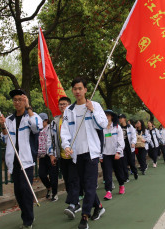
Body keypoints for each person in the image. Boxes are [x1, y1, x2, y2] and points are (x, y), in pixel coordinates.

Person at [61, 77, 108, 229]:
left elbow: (102, 124)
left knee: (89, 186)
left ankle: (84, 217)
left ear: (86, 90)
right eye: (75, 89)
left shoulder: (94, 105)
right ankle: (99, 207)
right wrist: (66, 146)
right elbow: (65, 131)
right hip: (77, 154)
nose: (77, 91)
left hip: (91, 153)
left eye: (80, 88)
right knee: (84, 185)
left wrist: (92, 110)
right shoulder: (69, 111)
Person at [0, 89, 43, 229]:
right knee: (18, 191)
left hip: (26, 160)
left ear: (25, 101)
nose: (17, 102)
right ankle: (26, 215)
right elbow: (5, 139)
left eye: (20, 99)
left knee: (26, 190)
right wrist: (3, 127)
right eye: (15, 100)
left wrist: (29, 107)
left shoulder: (31, 116)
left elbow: (37, 127)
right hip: (13, 161)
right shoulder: (9, 119)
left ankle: (28, 220)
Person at [47, 97, 82, 215]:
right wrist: (52, 154)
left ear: (69, 105)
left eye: (65, 104)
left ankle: (73, 204)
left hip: (73, 155)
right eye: (61, 104)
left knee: (73, 179)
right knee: (67, 180)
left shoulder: (75, 117)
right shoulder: (55, 121)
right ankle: (75, 202)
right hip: (62, 155)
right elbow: (50, 139)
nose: (63, 106)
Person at [101, 110, 125, 200]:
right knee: (107, 173)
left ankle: (121, 185)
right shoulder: (102, 128)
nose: (106, 117)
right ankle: (108, 191)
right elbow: (100, 142)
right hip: (106, 154)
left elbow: (121, 141)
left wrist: (118, 152)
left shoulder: (117, 127)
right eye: (104, 115)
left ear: (111, 117)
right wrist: (100, 155)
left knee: (118, 172)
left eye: (107, 115)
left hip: (116, 154)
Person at [37, 113, 59, 202]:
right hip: (42, 155)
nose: (40, 123)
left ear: (46, 120)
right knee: (42, 174)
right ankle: (49, 187)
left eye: (42, 121)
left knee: (53, 175)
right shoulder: (38, 130)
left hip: (52, 155)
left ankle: (54, 193)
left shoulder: (51, 128)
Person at [119, 114, 138, 180]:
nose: (120, 119)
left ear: (124, 119)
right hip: (122, 147)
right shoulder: (118, 127)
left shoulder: (130, 127)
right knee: (124, 163)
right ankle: (126, 177)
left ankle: (135, 172)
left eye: (121, 118)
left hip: (129, 146)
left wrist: (133, 143)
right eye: (119, 118)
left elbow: (134, 136)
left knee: (131, 162)